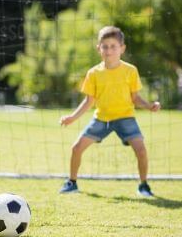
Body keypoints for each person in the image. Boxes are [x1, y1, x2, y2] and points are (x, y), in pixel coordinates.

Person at [59, 26, 160, 196]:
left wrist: (150, 106)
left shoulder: (130, 71)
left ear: (122, 48)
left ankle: (143, 185)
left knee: (141, 150)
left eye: (113, 46)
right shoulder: (94, 73)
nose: (109, 50)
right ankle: (72, 183)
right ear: (99, 48)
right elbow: (89, 101)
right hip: (102, 119)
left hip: (126, 118)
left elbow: (135, 98)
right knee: (76, 148)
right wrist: (72, 118)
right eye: (105, 46)